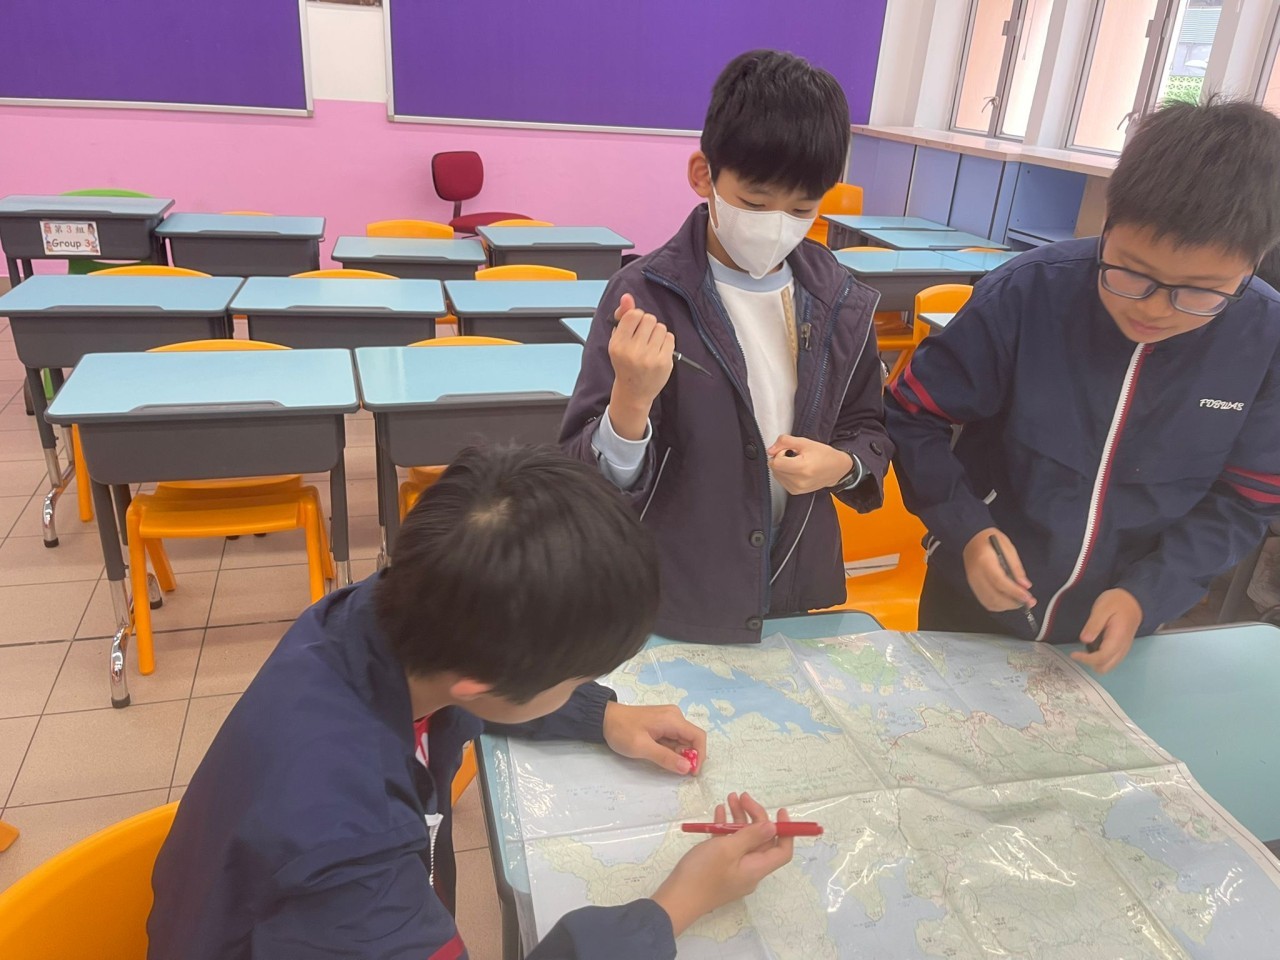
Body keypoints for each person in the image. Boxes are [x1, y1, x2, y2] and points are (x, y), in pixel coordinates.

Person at [147, 446, 794, 959]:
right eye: (572, 680)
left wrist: (600, 714)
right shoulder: (349, 853)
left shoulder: (390, 608)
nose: (575, 689)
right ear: (479, 685)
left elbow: (476, 665)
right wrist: (676, 905)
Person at [886, 98, 1280, 673]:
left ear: (1253, 263)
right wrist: (965, 528)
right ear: (1106, 226)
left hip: (1121, 622)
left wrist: (1152, 592)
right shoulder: (1027, 294)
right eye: (1133, 273)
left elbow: (1246, 500)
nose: (1155, 309)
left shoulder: (1265, 338)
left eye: (1200, 291)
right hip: (972, 596)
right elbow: (911, 416)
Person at [561, 50, 891, 646]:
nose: (777, 224)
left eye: (802, 209)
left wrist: (842, 465)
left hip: (792, 586)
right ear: (703, 175)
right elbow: (585, 485)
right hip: (678, 595)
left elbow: (867, 424)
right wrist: (630, 404)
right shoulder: (643, 295)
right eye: (756, 203)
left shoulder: (839, 297)